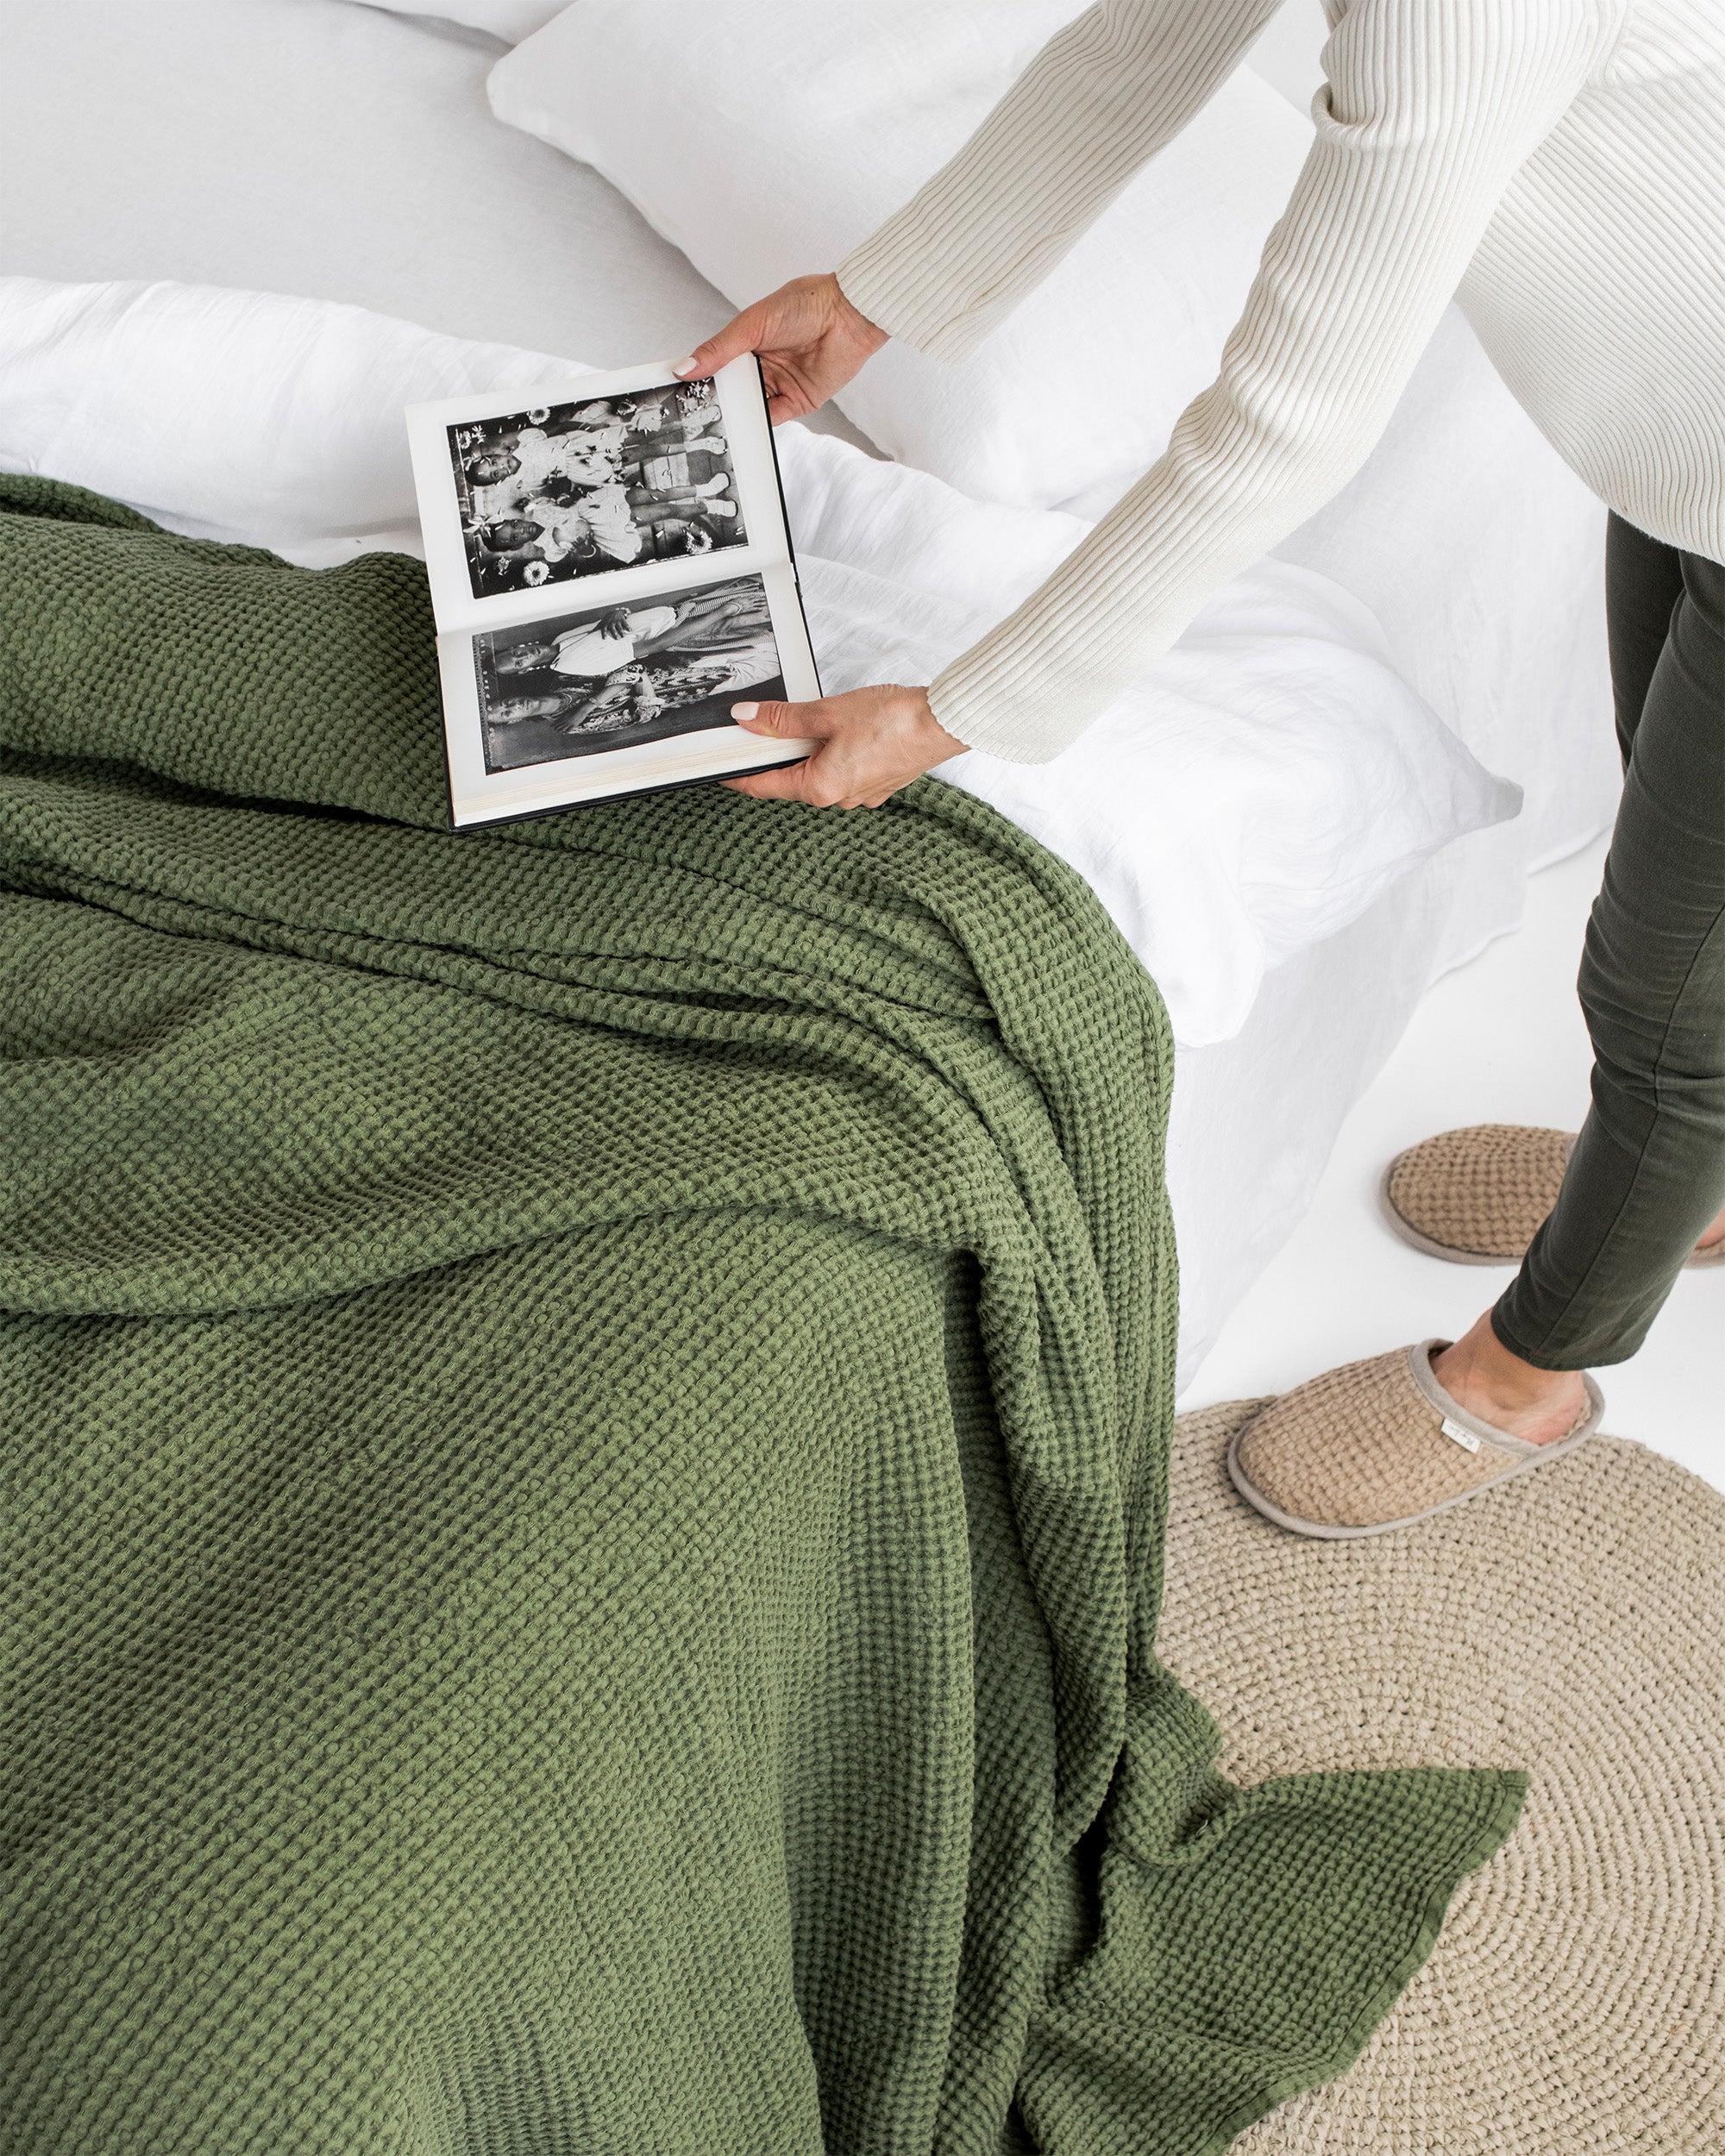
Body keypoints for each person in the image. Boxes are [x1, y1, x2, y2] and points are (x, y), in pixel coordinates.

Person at [672, 0, 1724, 1532]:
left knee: (1664, 996)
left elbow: (1288, 420)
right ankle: (1687, 1191)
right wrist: (877, 292)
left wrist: (969, 706)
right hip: (1685, 440)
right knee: (1690, 861)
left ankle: (1533, 1372)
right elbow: (1145, 40)